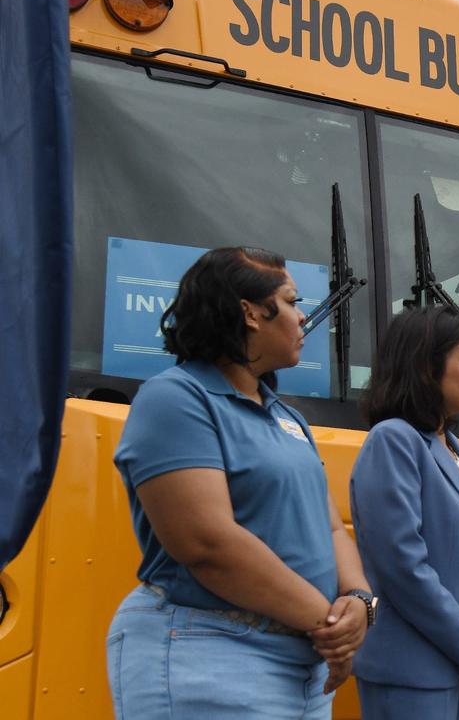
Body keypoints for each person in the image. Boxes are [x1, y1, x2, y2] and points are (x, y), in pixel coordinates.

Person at [107, 247, 373, 719]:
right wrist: (328, 625)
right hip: (210, 650)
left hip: (301, 666)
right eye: (291, 301)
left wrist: (358, 601)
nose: (302, 317)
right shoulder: (176, 398)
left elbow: (331, 528)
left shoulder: (288, 418)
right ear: (250, 312)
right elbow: (208, 543)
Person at [350, 306, 459, 720]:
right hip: (411, 673)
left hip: (456, 667)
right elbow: (402, 567)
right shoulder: (393, 440)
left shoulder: (450, 445)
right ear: (426, 366)